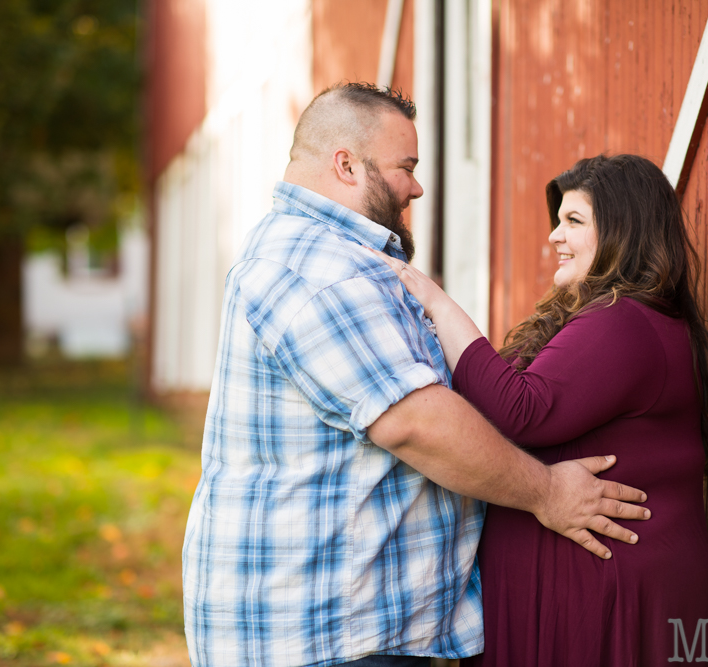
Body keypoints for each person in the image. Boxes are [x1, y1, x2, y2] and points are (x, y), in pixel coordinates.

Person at [182, 84, 651, 667]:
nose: (417, 187)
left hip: (346, 628)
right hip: (323, 638)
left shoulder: (336, 258)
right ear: (346, 165)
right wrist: (548, 493)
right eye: (406, 167)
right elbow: (416, 424)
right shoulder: (316, 268)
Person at [376, 153, 708, 666]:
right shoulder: (601, 317)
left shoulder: (625, 322)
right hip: (576, 591)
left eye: (573, 221)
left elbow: (519, 409)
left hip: (610, 595)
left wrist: (435, 300)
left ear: (624, 232)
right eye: (557, 221)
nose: (554, 237)